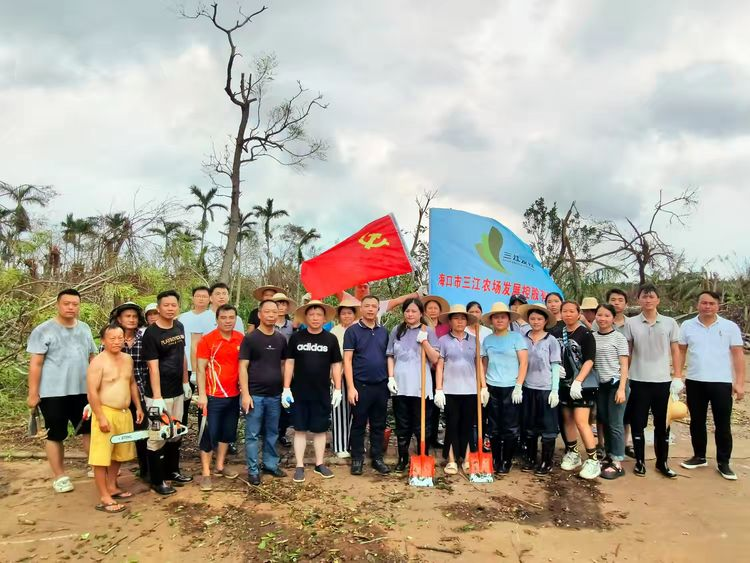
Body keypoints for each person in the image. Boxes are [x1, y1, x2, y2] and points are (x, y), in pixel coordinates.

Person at [26, 288, 98, 493]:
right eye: (67, 303)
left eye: (75, 304)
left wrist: (97, 386)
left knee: (89, 430)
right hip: (52, 392)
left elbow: (93, 357)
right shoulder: (44, 330)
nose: (71, 307)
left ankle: (95, 465)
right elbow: (36, 364)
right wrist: (33, 393)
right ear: (58, 304)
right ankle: (60, 476)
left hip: (83, 391)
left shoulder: (84, 328)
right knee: (55, 434)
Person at [678, 291, 746, 480]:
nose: (707, 306)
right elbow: (681, 351)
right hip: (695, 380)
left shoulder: (729, 326)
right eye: (703, 303)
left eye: (711, 303)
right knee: (697, 421)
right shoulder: (687, 325)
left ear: (718, 305)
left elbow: (738, 355)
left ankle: (724, 463)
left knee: (722, 424)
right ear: (697, 304)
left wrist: (739, 383)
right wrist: (678, 375)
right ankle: (699, 456)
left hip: (722, 382)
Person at [623, 283, 683, 478]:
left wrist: (677, 376)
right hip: (638, 379)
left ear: (658, 299)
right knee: (638, 422)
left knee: (662, 423)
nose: (648, 300)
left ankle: (662, 462)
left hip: (662, 381)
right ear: (638, 299)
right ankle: (640, 461)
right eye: (644, 297)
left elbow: (675, 350)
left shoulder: (669, 323)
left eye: (651, 297)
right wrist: (624, 376)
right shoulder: (631, 323)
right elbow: (628, 351)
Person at [283, 300, 343, 483]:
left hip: (322, 392)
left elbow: (336, 364)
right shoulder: (296, 338)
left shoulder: (330, 339)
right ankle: (299, 465)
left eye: (319, 315)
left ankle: (319, 464)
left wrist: (338, 389)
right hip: (299, 392)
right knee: (299, 430)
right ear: (306, 317)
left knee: (320, 430)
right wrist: (286, 387)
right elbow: (289, 363)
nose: (315, 318)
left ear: (324, 318)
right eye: (311, 315)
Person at [87, 323, 143, 513]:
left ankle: (112, 486)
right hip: (106, 411)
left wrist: (138, 407)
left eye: (120, 337)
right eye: (112, 338)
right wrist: (101, 416)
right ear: (103, 340)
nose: (117, 341)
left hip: (124, 412)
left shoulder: (127, 359)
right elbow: (92, 393)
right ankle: (104, 496)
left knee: (119, 453)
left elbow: (132, 383)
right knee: (101, 457)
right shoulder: (98, 362)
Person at [141, 289, 192, 495]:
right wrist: (157, 397)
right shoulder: (151, 334)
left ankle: (173, 471)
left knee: (175, 432)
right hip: (158, 396)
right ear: (158, 307)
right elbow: (152, 367)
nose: (170, 309)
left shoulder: (179, 326)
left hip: (177, 390)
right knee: (157, 436)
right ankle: (157, 479)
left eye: (174, 305)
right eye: (166, 305)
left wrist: (186, 381)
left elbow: (182, 356)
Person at [386, 298, 440, 472]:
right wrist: (391, 377)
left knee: (421, 425)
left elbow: (435, 359)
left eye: (414, 311)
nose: (410, 314)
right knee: (402, 424)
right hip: (400, 385)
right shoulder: (397, 330)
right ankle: (402, 459)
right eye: (407, 311)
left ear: (421, 314)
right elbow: (390, 355)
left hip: (420, 386)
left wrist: (424, 342)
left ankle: (422, 458)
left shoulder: (428, 331)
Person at [434, 304, 488, 475]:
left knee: (467, 425)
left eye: (463, 318)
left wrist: (483, 387)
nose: (459, 321)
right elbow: (440, 366)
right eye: (456, 318)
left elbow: (478, 364)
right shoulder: (443, 341)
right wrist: (439, 389)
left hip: (471, 390)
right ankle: (451, 460)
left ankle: (466, 458)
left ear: (467, 321)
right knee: (451, 424)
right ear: (450, 321)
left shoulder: (474, 340)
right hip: (450, 390)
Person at [195, 304, 244, 491]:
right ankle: (206, 473)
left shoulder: (240, 339)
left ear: (235, 319)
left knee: (227, 432)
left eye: (231, 317)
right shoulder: (208, 340)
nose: (227, 321)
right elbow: (201, 369)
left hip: (233, 395)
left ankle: (220, 465)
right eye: (223, 317)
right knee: (208, 434)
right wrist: (202, 395)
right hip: (212, 396)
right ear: (217, 319)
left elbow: (243, 366)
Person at [239, 300, 288, 485]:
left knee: (272, 432)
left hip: (275, 395)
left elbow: (284, 365)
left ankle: (270, 464)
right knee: (252, 434)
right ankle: (252, 470)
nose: (271, 315)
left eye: (274, 312)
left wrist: (285, 389)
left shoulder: (281, 338)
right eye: (267, 312)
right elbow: (242, 366)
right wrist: (245, 394)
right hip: (255, 395)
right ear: (259, 314)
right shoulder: (251, 338)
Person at [344, 295, 391, 476]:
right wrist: (351, 387)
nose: (370, 309)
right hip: (360, 385)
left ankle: (377, 458)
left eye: (374, 306)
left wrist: (390, 380)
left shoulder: (383, 332)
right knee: (358, 423)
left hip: (381, 385)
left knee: (379, 424)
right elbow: (347, 360)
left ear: (378, 309)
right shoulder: (352, 331)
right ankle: (357, 459)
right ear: (361, 309)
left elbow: (388, 358)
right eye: (367, 306)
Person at [480, 302, 528, 474]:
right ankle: (496, 458)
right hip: (493, 387)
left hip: (511, 388)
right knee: (493, 426)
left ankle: (506, 460)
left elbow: (523, 363)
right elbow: (483, 364)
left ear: (508, 319)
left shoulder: (516, 338)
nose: (499, 320)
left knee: (510, 426)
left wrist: (518, 386)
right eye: (496, 317)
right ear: (491, 320)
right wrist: (483, 386)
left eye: (503, 317)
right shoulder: (487, 340)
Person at [556, 301, 600, 480]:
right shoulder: (558, 332)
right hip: (564, 383)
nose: (567, 315)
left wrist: (579, 381)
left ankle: (593, 460)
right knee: (567, 419)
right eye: (564, 311)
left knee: (582, 421)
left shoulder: (586, 334)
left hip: (582, 385)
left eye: (571, 311)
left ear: (578, 313)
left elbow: (589, 359)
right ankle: (573, 453)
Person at [107, 302, 149, 481]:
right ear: (119, 319)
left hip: (142, 391)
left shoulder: (145, 337)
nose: (131, 320)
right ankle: (110, 475)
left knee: (143, 432)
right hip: (117, 394)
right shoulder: (113, 338)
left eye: (134, 316)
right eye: (127, 316)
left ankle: (146, 470)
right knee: (115, 433)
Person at [517, 304, 561, 476]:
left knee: (548, 428)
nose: (536, 322)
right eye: (533, 319)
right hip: (528, 387)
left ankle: (546, 462)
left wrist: (555, 390)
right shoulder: (523, 338)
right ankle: (530, 459)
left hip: (545, 388)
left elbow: (556, 365)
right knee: (529, 426)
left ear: (545, 321)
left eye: (539, 319)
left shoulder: (551, 340)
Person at [592, 304, 630, 480]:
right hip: (601, 386)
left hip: (616, 385)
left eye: (606, 315)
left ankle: (618, 462)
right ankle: (608, 455)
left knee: (616, 423)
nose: (602, 318)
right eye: (599, 315)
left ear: (613, 318)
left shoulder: (619, 338)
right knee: (604, 420)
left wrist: (622, 388)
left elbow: (624, 365)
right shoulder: (592, 337)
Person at [330, 297, 360, 458]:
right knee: (340, 411)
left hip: (358, 375)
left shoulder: (358, 329)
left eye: (350, 313)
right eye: (343, 313)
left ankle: (354, 443)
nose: (347, 316)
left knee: (358, 412)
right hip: (338, 375)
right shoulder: (335, 331)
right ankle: (340, 445)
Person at [179, 286, 212, 428]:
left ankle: (203, 434)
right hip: (185, 365)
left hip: (206, 367)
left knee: (204, 401)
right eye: (198, 296)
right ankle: (180, 432)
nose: (201, 298)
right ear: (193, 298)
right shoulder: (183, 317)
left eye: (204, 296)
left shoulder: (213, 316)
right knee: (183, 401)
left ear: (210, 299)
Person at [421, 294, 449, 450]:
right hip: (424, 371)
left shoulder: (445, 327)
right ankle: (423, 438)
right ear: (425, 311)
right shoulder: (421, 325)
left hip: (440, 371)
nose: (432, 311)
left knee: (437, 406)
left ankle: (433, 438)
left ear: (439, 311)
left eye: (435, 308)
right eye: (429, 308)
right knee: (425, 405)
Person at [272, 292, 297, 448]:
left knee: (286, 404)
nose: (281, 307)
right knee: (271, 402)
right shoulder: (267, 324)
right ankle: (269, 434)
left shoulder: (292, 326)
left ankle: (281, 433)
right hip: (270, 367)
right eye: (278, 304)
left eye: (283, 304)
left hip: (288, 369)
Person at [339, 282, 425, 324]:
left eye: (365, 287)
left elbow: (398, 300)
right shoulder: (348, 300)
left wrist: (417, 293)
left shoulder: (377, 304)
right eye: (359, 287)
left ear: (369, 289)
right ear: (355, 289)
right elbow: (334, 287)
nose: (362, 289)